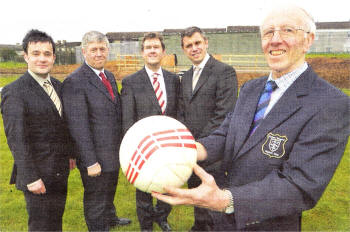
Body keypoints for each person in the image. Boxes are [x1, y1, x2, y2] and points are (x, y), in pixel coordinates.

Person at [153, 5, 350, 231]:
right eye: (268, 33)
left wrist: (226, 200)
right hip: (223, 223)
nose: (275, 40)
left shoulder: (330, 103)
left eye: (287, 30)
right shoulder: (250, 88)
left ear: (308, 40)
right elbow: (227, 132)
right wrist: (189, 149)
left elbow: (301, 185)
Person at [1, 29, 76, 231]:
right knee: (41, 226)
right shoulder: (14, 91)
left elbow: (62, 125)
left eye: (47, 54)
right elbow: (16, 139)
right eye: (36, 53)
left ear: (53, 57)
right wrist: (30, 177)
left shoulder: (58, 87)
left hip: (59, 172)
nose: (41, 59)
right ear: (25, 56)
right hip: (37, 176)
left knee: (55, 223)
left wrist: (70, 154)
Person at [61, 31, 131, 231]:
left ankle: (110, 218)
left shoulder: (107, 75)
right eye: (94, 50)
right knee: (96, 198)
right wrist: (91, 161)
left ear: (107, 50)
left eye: (102, 49)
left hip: (112, 152)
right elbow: (77, 126)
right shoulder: (75, 81)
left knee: (109, 191)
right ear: (84, 52)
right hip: (94, 156)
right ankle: (98, 227)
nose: (99, 53)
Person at [178, 26, 238, 231]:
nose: (194, 48)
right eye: (188, 45)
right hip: (191, 151)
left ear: (206, 43)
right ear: (184, 50)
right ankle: (199, 226)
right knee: (196, 193)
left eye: (197, 43)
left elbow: (223, 114)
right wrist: (186, 143)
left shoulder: (224, 72)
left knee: (215, 198)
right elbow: (183, 112)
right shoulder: (185, 77)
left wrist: (199, 145)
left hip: (213, 151)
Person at [121, 32, 179, 231]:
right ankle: (146, 225)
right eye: (148, 48)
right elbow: (128, 118)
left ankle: (162, 217)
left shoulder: (173, 80)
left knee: (169, 184)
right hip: (143, 146)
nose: (152, 51)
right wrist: (133, 148)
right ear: (142, 53)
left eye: (156, 47)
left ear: (163, 51)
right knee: (144, 187)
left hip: (169, 145)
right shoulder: (131, 82)